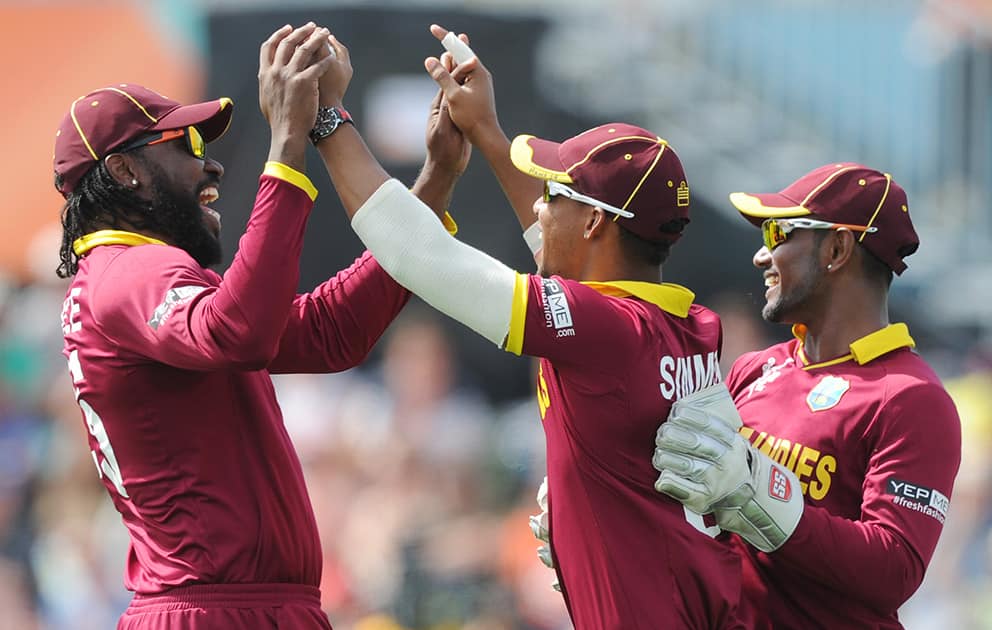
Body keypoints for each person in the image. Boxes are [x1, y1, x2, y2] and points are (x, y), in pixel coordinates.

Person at [310, 29, 747, 630]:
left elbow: (416, 253)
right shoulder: (689, 323)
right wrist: (487, 132)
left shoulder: (606, 328)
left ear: (595, 222)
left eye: (555, 194)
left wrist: (325, 118)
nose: (540, 207)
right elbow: (565, 255)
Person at [54, 22, 467, 629]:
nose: (211, 167)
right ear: (123, 173)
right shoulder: (128, 271)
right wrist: (287, 141)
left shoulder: (142, 279)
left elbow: (331, 333)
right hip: (214, 613)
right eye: (186, 147)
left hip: (244, 607)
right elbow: (241, 330)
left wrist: (434, 182)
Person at [651, 163, 962, 629]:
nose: (760, 256)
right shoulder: (755, 368)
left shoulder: (912, 399)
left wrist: (760, 494)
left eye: (777, 232)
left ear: (837, 248)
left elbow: (894, 568)